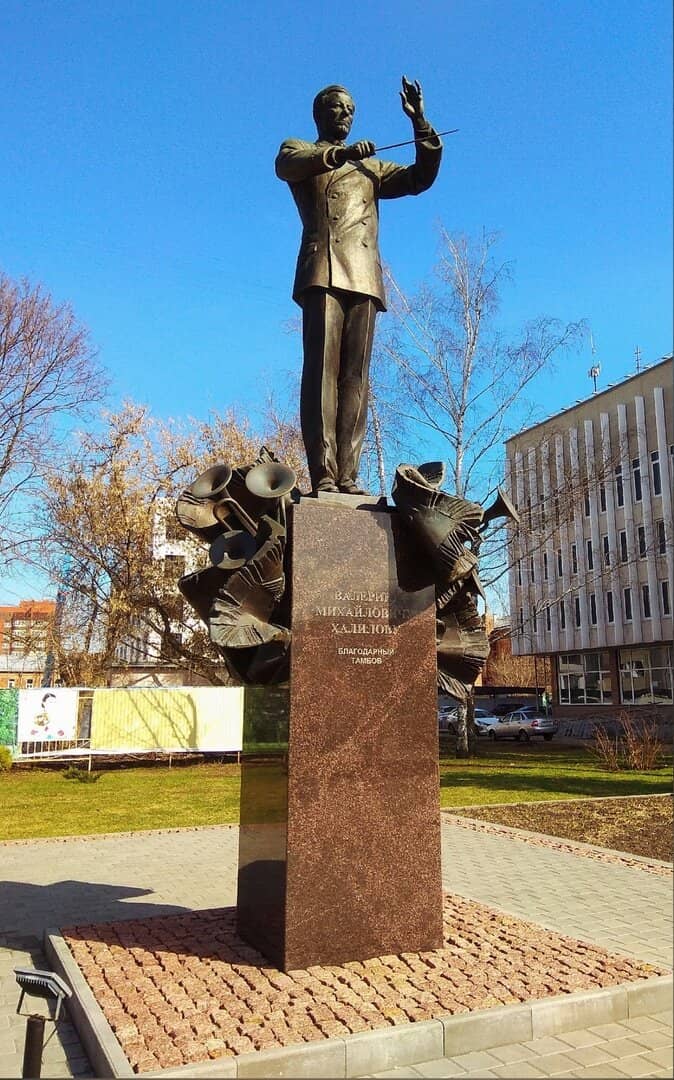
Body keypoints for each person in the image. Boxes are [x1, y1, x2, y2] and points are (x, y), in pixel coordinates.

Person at [276, 77, 442, 494]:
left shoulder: (373, 168)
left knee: (355, 379)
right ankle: (324, 474)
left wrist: (419, 121)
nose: (346, 115)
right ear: (319, 114)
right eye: (337, 108)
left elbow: (421, 177)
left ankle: (348, 476)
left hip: (364, 276)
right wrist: (342, 154)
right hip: (322, 270)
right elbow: (287, 166)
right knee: (321, 374)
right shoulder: (300, 150)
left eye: (350, 109)